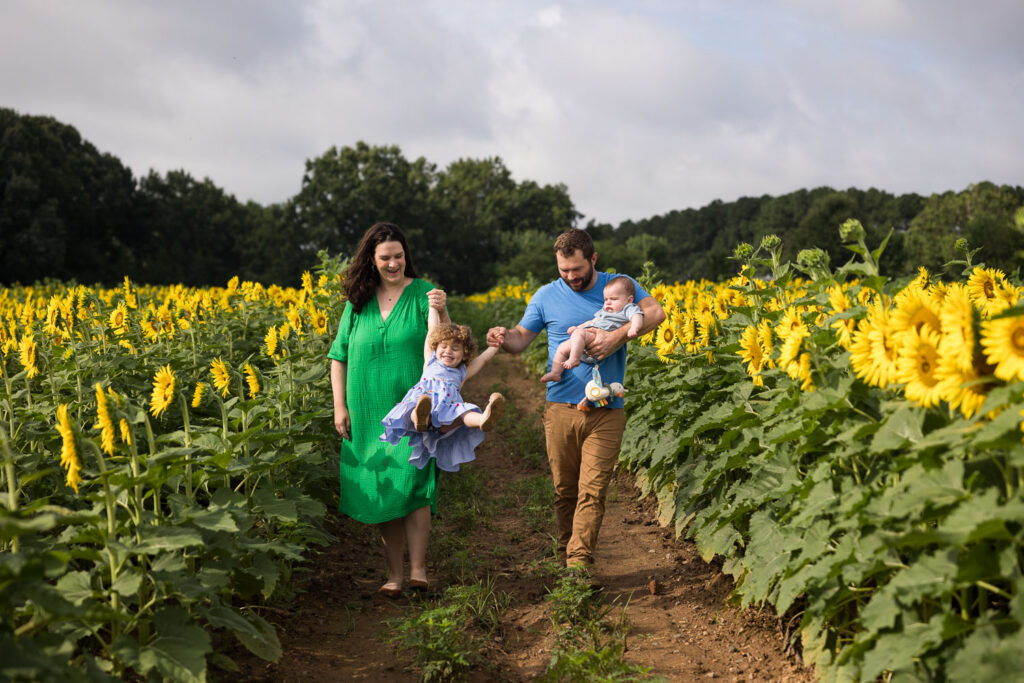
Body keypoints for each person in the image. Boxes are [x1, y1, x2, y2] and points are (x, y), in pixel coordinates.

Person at [487, 229, 666, 570]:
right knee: (565, 491)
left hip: (606, 409)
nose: (570, 277)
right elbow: (521, 338)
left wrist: (615, 339)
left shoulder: (619, 286)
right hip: (560, 407)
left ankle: (578, 566)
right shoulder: (545, 296)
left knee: (593, 490)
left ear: (593, 259)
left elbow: (655, 313)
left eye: (577, 269)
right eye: (563, 270)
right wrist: (501, 337)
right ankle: (565, 553)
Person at [328, 222, 447, 597]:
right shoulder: (357, 300)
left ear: (405, 255)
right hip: (366, 409)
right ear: (371, 260)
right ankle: (394, 574)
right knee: (383, 486)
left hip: (413, 409)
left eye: (398, 256)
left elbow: (445, 345)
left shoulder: (425, 294)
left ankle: (418, 569)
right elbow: (339, 356)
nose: (393, 263)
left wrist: (442, 314)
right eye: (385, 258)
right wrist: (339, 407)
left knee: (412, 484)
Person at [380, 304, 505, 472]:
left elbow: (482, 359)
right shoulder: (430, 361)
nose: (448, 351)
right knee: (416, 406)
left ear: (464, 353)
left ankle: (483, 420)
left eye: (455, 349)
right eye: (444, 347)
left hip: (447, 416)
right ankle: (421, 419)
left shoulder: (462, 372)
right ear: (435, 347)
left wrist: (495, 346)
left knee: (464, 414)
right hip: (426, 404)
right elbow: (433, 329)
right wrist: (433, 307)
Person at [539, 275, 644, 383]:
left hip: (599, 341)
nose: (608, 302)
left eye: (613, 299)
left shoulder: (628, 308)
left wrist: (634, 328)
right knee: (562, 348)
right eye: (606, 299)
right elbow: (592, 322)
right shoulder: (605, 311)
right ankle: (555, 373)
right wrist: (577, 328)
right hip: (585, 342)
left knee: (579, 334)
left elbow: (637, 316)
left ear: (629, 299)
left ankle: (574, 359)